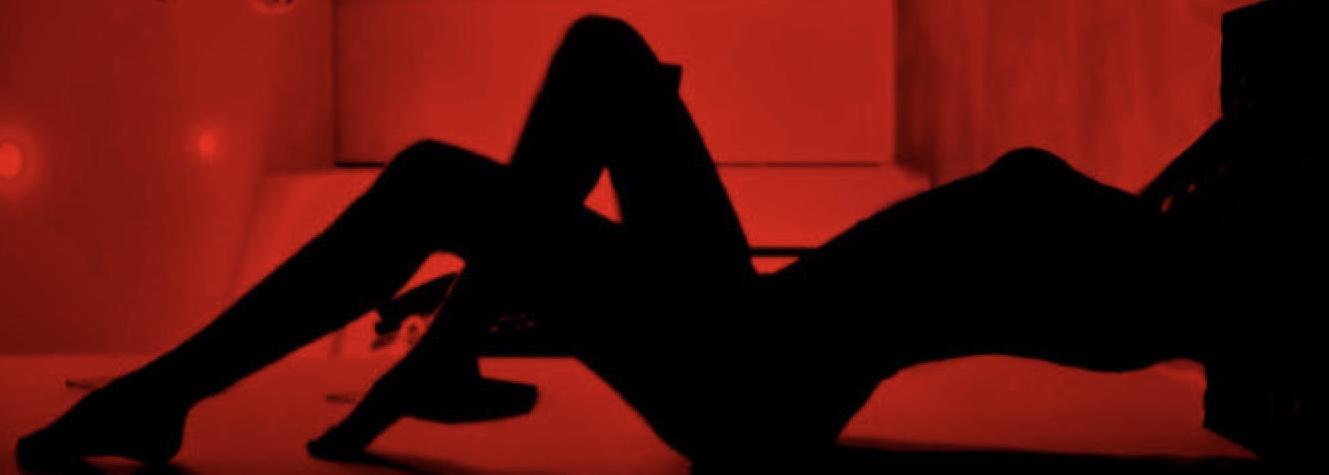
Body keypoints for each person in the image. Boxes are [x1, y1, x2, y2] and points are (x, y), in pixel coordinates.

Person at [17, 14, 1310, 474]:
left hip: (750, 383)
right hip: (746, 322)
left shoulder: (1151, 293)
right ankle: (446, 350)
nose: (1212, 184)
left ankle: (164, 395)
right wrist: (1229, 151)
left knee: (430, 182)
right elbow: (1227, 144)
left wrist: (1232, 209)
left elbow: (1221, 309)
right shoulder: (1147, 227)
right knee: (602, 48)